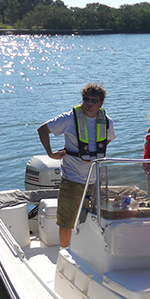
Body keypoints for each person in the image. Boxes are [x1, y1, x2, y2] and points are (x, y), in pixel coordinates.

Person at [37, 83, 115, 248]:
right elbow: (42, 130)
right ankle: (64, 252)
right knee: (67, 220)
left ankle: (86, 251)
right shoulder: (69, 118)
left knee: (92, 217)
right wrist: (51, 153)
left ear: (101, 103)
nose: (89, 103)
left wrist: (94, 152)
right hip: (72, 178)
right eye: (86, 99)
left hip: (94, 180)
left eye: (94, 100)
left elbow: (108, 139)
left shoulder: (106, 121)